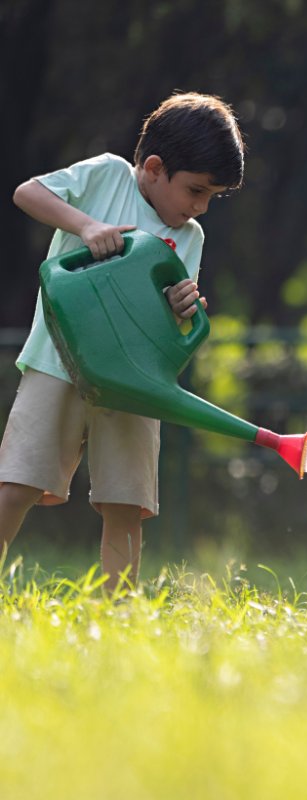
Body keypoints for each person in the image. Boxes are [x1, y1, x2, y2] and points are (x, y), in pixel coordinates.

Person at [0, 92, 245, 591]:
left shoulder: (190, 237)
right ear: (154, 168)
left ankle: (117, 607)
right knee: (17, 482)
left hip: (135, 379)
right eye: (195, 190)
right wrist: (87, 225)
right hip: (56, 361)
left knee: (126, 500)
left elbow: (174, 326)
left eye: (211, 198)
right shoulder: (108, 176)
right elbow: (27, 193)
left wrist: (183, 308)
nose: (199, 207)